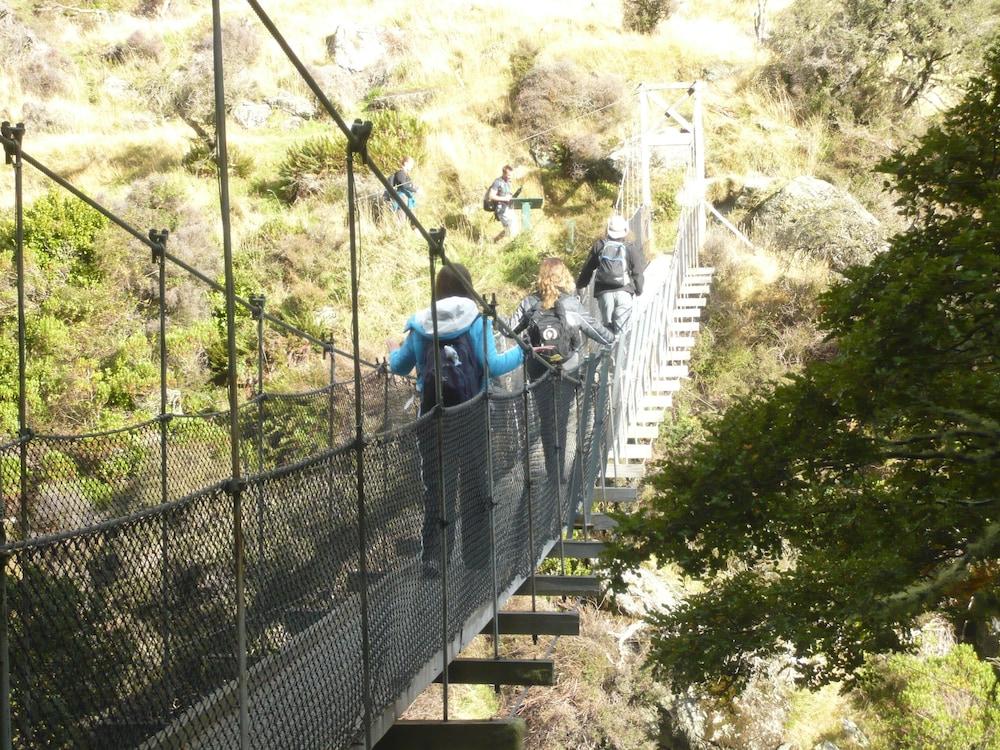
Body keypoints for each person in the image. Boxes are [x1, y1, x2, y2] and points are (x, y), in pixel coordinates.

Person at [388, 264, 523, 576]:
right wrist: (525, 352)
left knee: (438, 487)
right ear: (468, 287)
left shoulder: (422, 323)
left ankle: (435, 558)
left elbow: (399, 366)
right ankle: (477, 559)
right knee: (476, 482)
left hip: (433, 415)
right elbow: (493, 365)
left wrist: (392, 349)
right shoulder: (477, 320)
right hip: (472, 412)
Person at [511, 257, 615, 481]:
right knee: (563, 415)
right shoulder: (571, 304)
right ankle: (562, 472)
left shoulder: (528, 303)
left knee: (547, 418)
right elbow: (595, 330)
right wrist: (614, 338)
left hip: (538, 367)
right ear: (563, 277)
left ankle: (553, 471)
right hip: (568, 367)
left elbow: (509, 330)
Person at [575, 214, 645, 334]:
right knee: (622, 331)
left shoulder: (600, 245)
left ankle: (609, 350)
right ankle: (621, 351)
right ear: (625, 231)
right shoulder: (630, 248)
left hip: (604, 294)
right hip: (624, 292)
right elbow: (638, 272)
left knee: (608, 331)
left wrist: (580, 284)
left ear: (608, 229)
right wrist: (638, 290)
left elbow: (588, 268)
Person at [488, 164, 515, 242]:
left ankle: (494, 241)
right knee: (510, 229)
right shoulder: (497, 182)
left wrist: (510, 196)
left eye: (511, 175)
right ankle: (511, 247)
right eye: (508, 175)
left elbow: (507, 194)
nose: (510, 177)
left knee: (514, 227)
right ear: (503, 173)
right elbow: (491, 196)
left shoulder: (508, 182)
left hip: (509, 208)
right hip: (501, 210)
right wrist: (504, 198)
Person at [386, 156, 417, 222]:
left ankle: (414, 229)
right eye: (411, 164)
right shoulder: (400, 173)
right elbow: (404, 186)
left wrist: (414, 187)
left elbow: (408, 185)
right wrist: (416, 190)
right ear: (405, 163)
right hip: (402, 198)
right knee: (401, 219)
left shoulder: (405, 173)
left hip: (406, 198)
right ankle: (400, 230)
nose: (412, 166)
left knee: (412, 219)